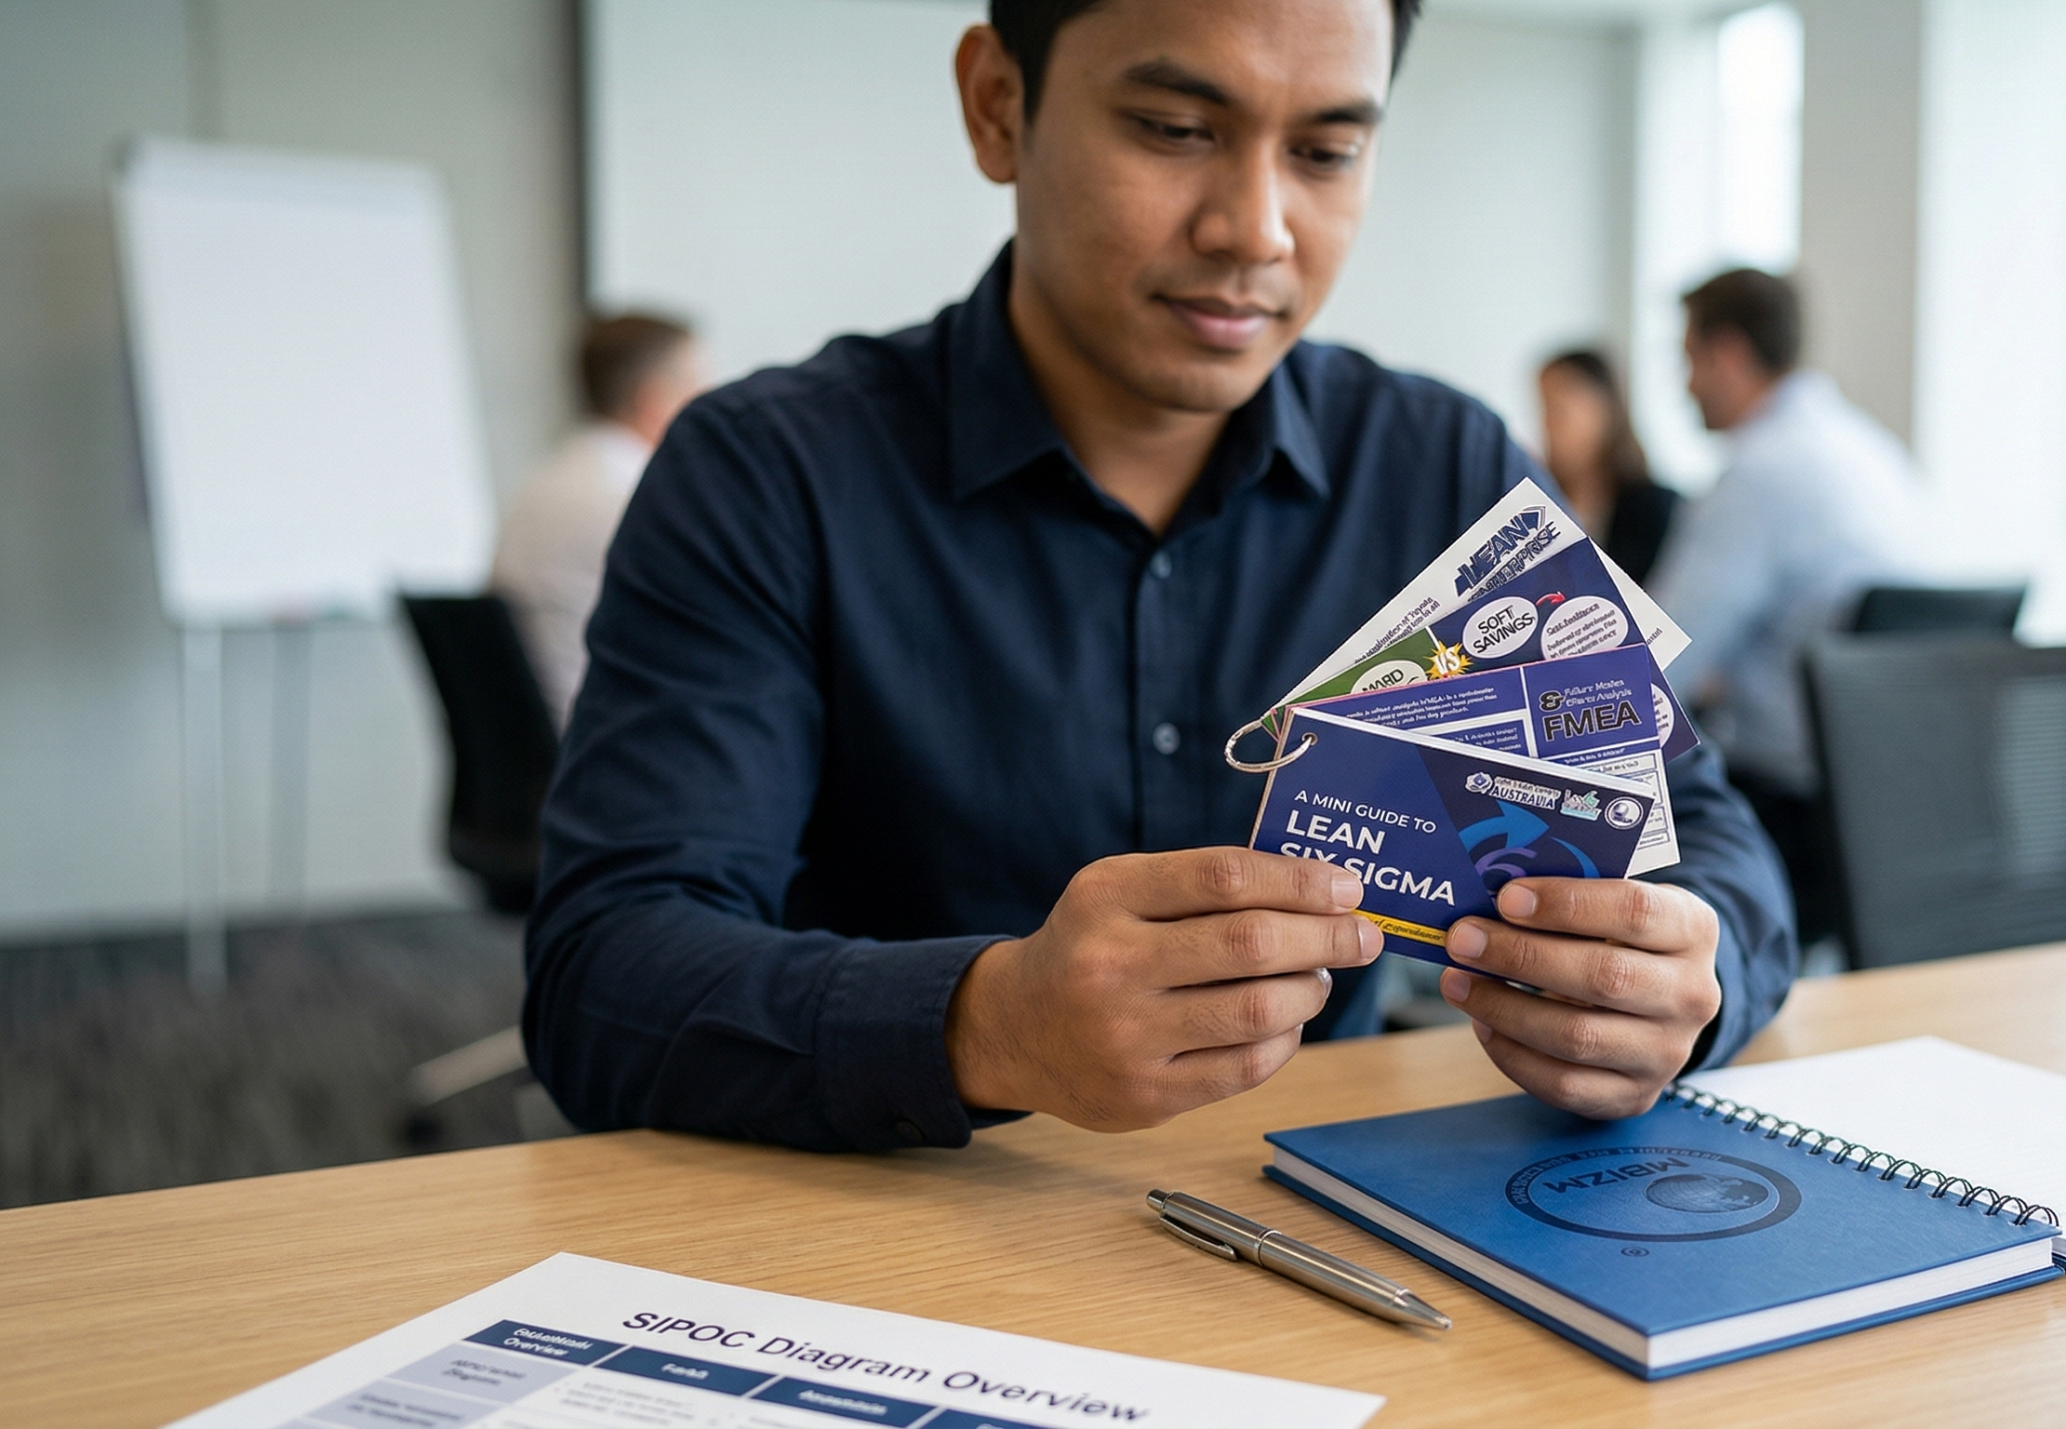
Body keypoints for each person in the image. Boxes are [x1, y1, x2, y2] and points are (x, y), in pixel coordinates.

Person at [524, 0, 1796, 1153]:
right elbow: (605, 970)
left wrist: (1689, 980)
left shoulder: (1436, 464)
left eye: (1326, 151)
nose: (1255, 229)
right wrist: (983, 1025)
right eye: (1177, 127)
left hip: (1327, 1226)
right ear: (997, 106)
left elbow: (1704, 835)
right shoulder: (769, 474)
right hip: (895, 1242)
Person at [1649, 268, 1920, 945]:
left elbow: (1649, 666)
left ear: (1729, 355)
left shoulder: (1760, 472)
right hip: (1900, 811)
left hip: (1789, 816)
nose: (1685, 386)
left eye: (1689, 360)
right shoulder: (1875, 453)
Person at [489, 314, 705, 725]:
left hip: (532, 738)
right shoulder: (631, 503)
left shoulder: (542, 483)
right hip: (602, 738)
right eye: (697, 385)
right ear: (654, 400)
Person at [1536, 349, 1680, 587]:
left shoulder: (1656, 508)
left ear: (1605, 409)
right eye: (1542, 410)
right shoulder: (1541, 508)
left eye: (1559, 410)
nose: (1547, 426)